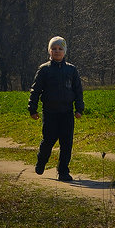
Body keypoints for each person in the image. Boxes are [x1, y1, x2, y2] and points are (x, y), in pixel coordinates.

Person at [27, 36, 84, 182]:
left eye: (60, 49)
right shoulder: (44, 70)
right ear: (49, 51)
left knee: (66, 143)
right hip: (50, 113)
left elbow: (78, 90)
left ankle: (63, 171)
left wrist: (79, 109)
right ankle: (41, 162)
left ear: (64, 52)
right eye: (54, 49)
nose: (57, 51)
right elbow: (35, 90)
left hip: (66, 113)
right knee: (48, 140)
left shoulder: (71, 70)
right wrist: (32, 109)